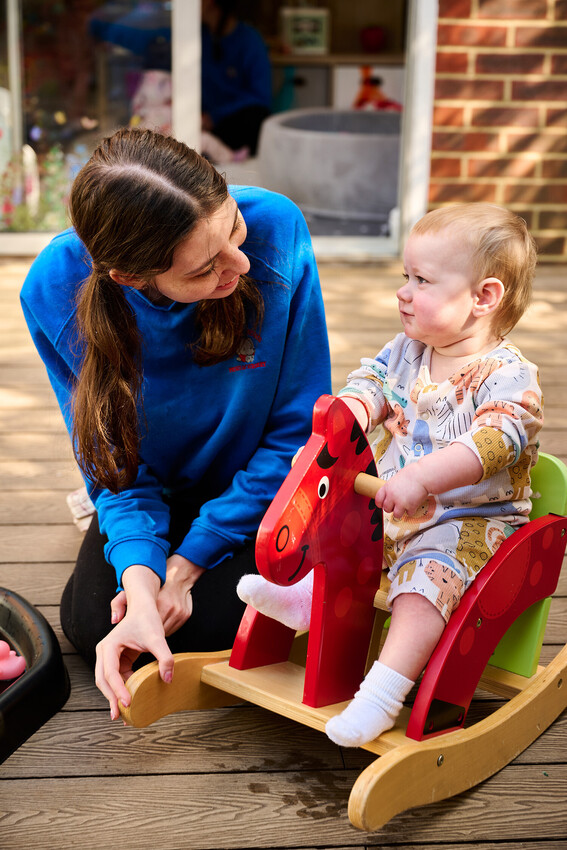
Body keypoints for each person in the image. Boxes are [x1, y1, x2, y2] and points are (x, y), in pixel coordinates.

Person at [20, 126, 331, 721]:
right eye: (203, 268)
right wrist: (142, 579)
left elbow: (297, 436)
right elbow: (115, 467)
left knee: (214, 618)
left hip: (272, 485)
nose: (240, 264)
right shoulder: (55, 290)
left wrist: (184, 569)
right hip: (157, 483)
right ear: (131, 279)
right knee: (93, 623)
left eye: (234, 228)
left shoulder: (278, 228)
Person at [238, 203, 543, 747]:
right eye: (406, 275)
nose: (403, 290)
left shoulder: (507, 375)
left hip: (469, 523)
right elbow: (369, 385)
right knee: (334, 529)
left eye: (421, 280)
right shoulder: (408, 350)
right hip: (391, 505)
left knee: (422, 588)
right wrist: (339, 427)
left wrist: (424, 477)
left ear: (484, 297)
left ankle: (380, 697)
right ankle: (308, 598)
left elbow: (499, 438)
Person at [201, 0, 272, 158]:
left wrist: (215, 116)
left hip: (235, 123)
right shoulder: (198, 38)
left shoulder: (249, 40)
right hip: (203, 121)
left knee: (256, 118)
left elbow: (261, 97)